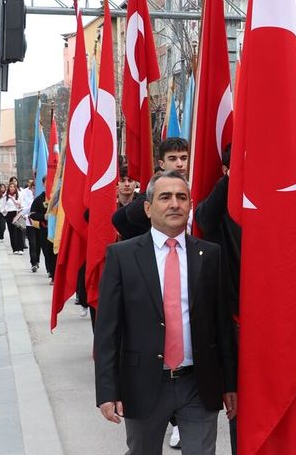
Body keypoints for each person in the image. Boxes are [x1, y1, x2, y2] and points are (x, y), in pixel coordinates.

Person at [94, 170, 236, 455]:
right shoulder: (122, 256)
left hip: (199, 383)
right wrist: (107, 390)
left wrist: (230, 383)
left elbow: (222, 325)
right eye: (165, 197)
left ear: (190, 205)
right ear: (148, 208)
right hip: (143, 383)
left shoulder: (210, 255)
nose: (174, 204)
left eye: (182, 197)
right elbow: (108, 330)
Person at [193, 146, 241, 454]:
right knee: (237, 397)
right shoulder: (219, 204)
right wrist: (233, 178)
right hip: (231, 319)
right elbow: (204, 218)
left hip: (266, 314)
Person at [113, 138, 190, 241]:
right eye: (172, 159)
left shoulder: (199, 187)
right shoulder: (153, 190)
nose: (180, 164)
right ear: (162, 164)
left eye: (184, 158)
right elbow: (121, 218)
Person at [29, 179, 56, 279]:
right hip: (44, 229)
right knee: (47, 251)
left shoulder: (58, 197)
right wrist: (43, 217)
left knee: (55, 251)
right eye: (47, 182)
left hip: (57, 230)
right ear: (43, 184)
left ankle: (55, 272)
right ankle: (50, 271)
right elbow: (32, 214)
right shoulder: (39, 199)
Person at [0, 182, 25, 254]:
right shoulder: (6, 197)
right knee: (12, 232)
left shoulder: (19, 195)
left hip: (18, 213)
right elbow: (1, 207)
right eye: (11, 187)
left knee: (20, 231)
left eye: (14, 187)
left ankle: (21, 248)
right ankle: (15, 249)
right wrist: (5, 212)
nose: (12, 188)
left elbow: (22, 204)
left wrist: (20, 206)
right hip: (10, 214)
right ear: (8, 188)